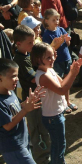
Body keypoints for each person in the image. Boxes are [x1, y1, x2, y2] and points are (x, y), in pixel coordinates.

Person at [31, 42, 82, 164]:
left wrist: (72, 72)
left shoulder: (49, 70)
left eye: (53, 55)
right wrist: (73, 74)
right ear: (38, 59)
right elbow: (62, 90)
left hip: (56, 114)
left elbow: (62, 83)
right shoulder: (43, 76)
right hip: (52, 117)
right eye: (48, 57)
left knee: (59, 144)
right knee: (58, 146)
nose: (53, 58)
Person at [12, 26, 51, 164]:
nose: (33, 44)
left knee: (42, 126)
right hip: (31, 100)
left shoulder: (27, 55)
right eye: (30, 42)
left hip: (37, 97)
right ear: (18, 43)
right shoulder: (21, 60)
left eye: (33, 41)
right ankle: (41, 159)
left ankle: (44, 153)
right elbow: (35, 78)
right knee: (36, 129)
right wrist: (45, 66)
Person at [0, 59, 44, 164]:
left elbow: (14, 109)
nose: (17, 79)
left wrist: (25, 104)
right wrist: (25, 110)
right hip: (13, 147)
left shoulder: (10, 92)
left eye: (17, 75)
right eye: (13, 76)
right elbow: (7, 125)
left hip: (22, 142)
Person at [41, 9, 77, 114]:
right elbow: (49, 50)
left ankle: (67, 101)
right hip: (56, 62)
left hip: (67, 59)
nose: (57, 21)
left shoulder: (61, 29)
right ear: (46, 21)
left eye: (57, 19)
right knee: (60, 83)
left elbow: (68, 45)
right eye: (54, 20)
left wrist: (67, 40)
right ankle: (62, 104)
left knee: (67, 81)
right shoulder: (47, 34)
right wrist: (58, 43)